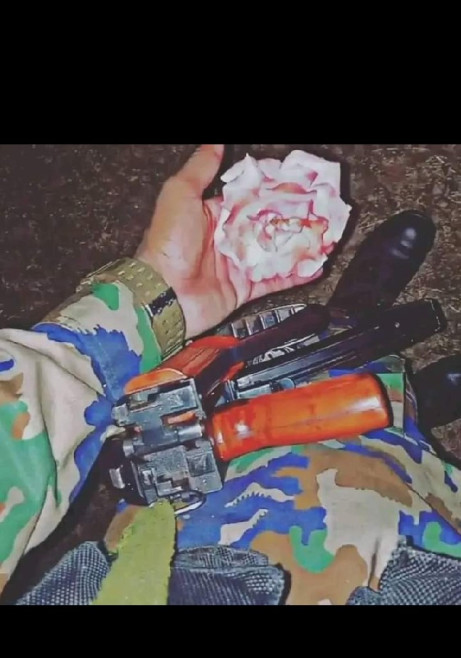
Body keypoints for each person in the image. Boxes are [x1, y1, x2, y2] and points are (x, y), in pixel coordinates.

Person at [1, 144, 461, 606]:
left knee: (220, 454)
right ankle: (402, 415)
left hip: (179, 552)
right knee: (385, 477)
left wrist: (147, 299)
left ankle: (352, 331)